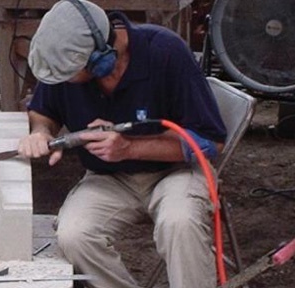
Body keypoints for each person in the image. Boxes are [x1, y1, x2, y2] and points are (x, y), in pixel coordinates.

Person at [18, 1, 227, 287]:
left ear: (100, 59)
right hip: (108, 179)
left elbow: (211, 141)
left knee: (180, 223)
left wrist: (128, 147)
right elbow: (44, 111)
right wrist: (41, 132)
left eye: (69, 75)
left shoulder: (165, 52)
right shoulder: (66, 60)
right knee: (74, 234)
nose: (64, 81)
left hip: (176, 172)